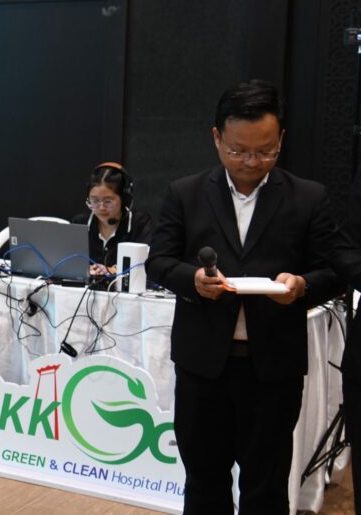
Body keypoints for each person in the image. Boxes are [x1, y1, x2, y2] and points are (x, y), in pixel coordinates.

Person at [146, 79, 347, 514]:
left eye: (265, 151)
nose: (252, 162)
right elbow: (158, 262)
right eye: (238, 151)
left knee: (266, 489)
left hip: (272, 370)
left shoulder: (308, 197)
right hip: (203, 369)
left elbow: (334, 271)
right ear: (217, 138)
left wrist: (302, 286)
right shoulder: (185, 193)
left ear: (281, 140)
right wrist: (193, 280)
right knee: (204, 484)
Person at [70, 162, 152, 279]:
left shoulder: (139, 224)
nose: (101, 207)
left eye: (108, 201)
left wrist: (112, 270)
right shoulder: (80, 223)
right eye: (94, 201)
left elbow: (146, 264)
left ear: (124, 199)